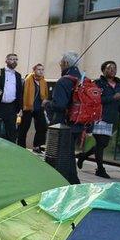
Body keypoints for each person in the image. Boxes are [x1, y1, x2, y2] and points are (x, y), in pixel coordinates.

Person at [76, 61, 120, 179]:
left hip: (111, 118)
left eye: (114, 68)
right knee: (101, 144)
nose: (112, 70)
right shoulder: (98, 83)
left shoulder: (119, 85)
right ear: (103, 70)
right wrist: (112, 97)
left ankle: (83, 156)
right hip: (99, 117)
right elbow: (95, 99)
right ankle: (100, 169)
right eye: (109, 68)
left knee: (103, 144)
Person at [47, 51, 84, 184]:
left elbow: (59, 105)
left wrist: (47, 103)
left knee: (61, 155)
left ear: (66, 63)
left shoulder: (64, 81)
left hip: (63, 124)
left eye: (61, 62)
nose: (60, 64)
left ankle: (70, 182)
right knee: (69, 153)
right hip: (78, 123)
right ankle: (72, 181)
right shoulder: (83, 79)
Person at [18, 63, 50, 152]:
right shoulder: (27, 80)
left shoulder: (43, 81)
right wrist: (20, 108)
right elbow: (22, 95)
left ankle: (37, 146)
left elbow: (46, 94)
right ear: (34, 70)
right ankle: (21, 147)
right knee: (24, 128)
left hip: (39, 107)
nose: (41, 71)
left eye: (42, 69)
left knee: (42, 127)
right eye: (39, 69)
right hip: (27, 107)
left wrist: (45, 100)